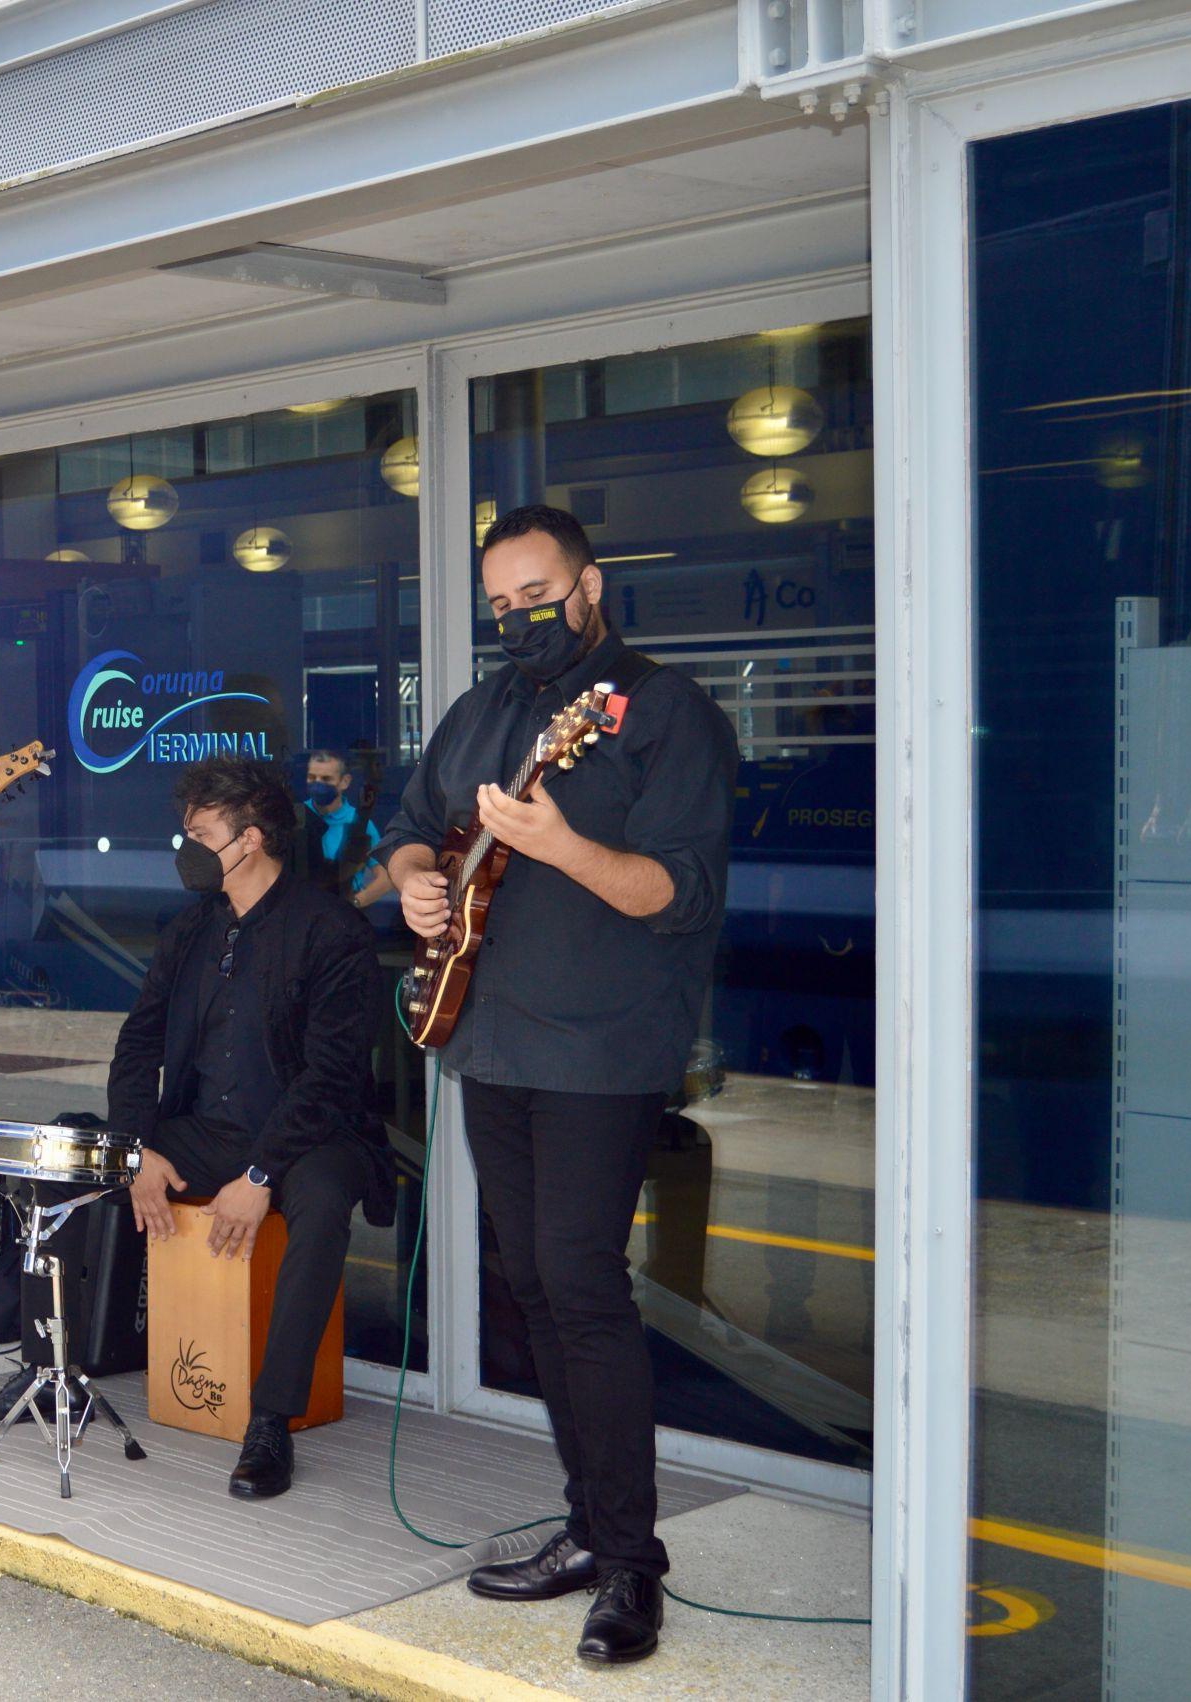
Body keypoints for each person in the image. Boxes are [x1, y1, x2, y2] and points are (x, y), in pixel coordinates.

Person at [380, 504, 733, 1667]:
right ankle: (587, 1523)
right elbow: (411, 826)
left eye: (536, 594)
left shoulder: (664, 712)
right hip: (488, 1039)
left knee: (581, 1286)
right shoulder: (482, 710)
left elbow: (677, 893)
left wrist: (558, 842)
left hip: (600, 1051)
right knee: (529, 1284)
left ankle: (631, 1563)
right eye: (499, 603)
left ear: (591, 584)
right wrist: (419, 880)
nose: (518, 616)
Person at [0, 757, 392, 1499]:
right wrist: (137, 1149)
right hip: (205, 1132)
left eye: (201, 834)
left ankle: (270, 1422)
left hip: (312, 1138)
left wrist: (261, 1175)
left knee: (318, 1209)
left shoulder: (330, 929)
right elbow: (138, 1045)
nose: (186, 849)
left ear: (251, 839)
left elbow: (331, 1077)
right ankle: (49, 1373)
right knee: (72, 1160)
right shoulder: (190, 930)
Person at [298, 748, 394, 909]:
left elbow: (385, 878)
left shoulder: (358, 822)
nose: (317, 783)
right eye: (312, 777)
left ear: (345, 781)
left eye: (326, 779)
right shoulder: (297, 816)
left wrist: (353, 904)